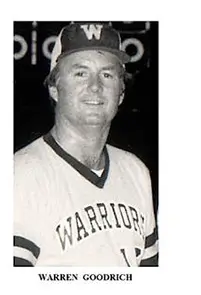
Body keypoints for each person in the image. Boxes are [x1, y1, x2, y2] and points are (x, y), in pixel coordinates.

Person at [14, 22, 158, 267]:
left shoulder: (136, 172)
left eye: (107, 74)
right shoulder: (20, 175)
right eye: (80, 73)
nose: (95, 86)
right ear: (54, 88)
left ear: (121, 93)